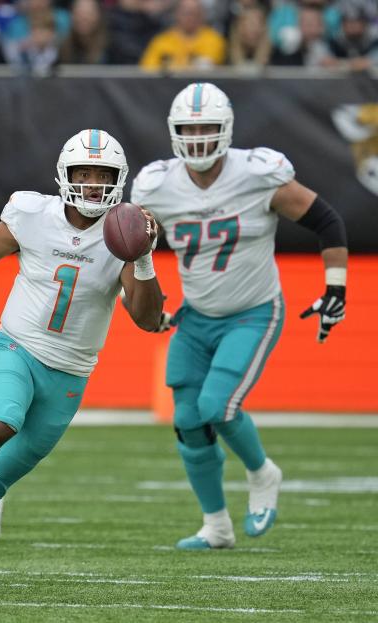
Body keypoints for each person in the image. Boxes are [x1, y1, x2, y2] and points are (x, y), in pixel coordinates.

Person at [0, 129, 164, 593]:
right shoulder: (32, 214)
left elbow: (147, 318)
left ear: (118, 180)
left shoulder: (124, 232)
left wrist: (143, 260)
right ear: (65, 175)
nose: (94, 183)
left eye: (103, 175)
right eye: (85, 173)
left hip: (72, 374)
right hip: (17, 346)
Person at [130, 83, 349, 550]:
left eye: (207, 126)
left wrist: (337, 285)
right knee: (188, 419)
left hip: (252, 312)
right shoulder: (156, 186)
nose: (198, 137)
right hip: (195, 318)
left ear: (226, 128)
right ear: (173, 132)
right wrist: (146, 302)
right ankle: (216, 526)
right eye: (189, 129)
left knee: (218, 408)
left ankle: (263, 472)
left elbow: (326, 220)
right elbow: (133, 252)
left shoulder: (258, 174)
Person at [139, 0, 226, 70]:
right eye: (185, 13)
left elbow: (207, 67)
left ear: (202, 15)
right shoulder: (162, 40)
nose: (189, 17)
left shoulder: (213, 39)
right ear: (176, 14)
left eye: (193, 13)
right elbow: (148, 70)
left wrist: (170, 66)